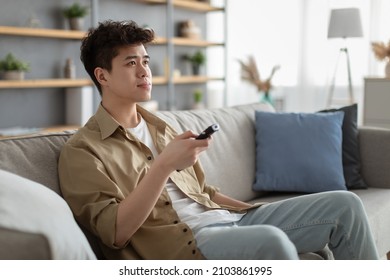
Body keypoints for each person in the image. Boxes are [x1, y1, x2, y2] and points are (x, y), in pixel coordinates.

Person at [58, 20, 379, 260]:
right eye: (131, 63)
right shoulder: (84, 151)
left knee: (344, 205)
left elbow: (205, 193)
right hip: (187, 245)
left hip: (230, 220)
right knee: (273, 241)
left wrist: (256, 212)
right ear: (102, 76)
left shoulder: (162, 127)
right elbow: (115, 233)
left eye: (145, 61)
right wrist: (164, 165)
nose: (144, 71)